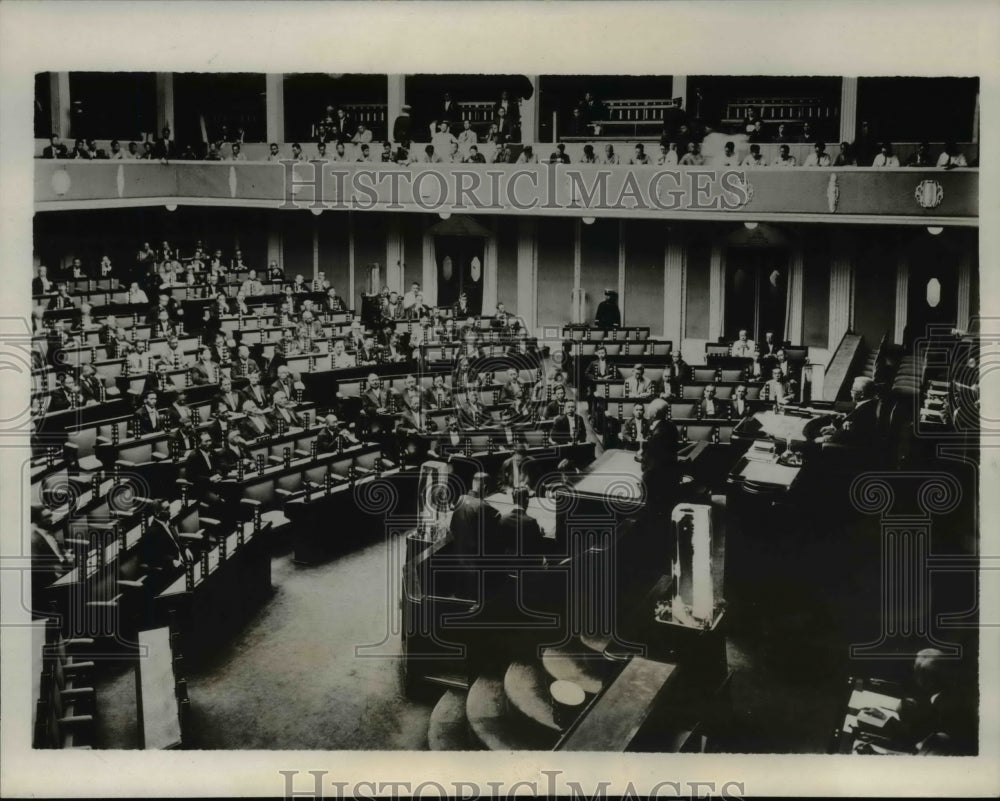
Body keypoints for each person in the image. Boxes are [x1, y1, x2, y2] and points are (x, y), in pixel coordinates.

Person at [142, 499, 197, 592]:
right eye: (166, 509)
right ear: (157, 513)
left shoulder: (168, 523)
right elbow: (153, 556)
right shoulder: (152, 532)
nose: (170, 511)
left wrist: (185, 548)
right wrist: (172, 561)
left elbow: (176, 541)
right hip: (169, 570)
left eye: (169, 507)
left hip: (182, 562)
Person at [815, 376, 879, 446]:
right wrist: (834, 429)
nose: (850, 392)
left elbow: (850, 435)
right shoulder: (869, 404)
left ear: (862, 394)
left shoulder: (863, 411)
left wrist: (827, 439)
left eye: (853, 390)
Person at [499, 487, 550, 562]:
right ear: (527, 500)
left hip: (507, 563)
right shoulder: (531, 522)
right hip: (525, 564)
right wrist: (540, 534)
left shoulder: (503, 519)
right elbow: (538, 547)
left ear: (513, 499)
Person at [184, 432, 223, 503]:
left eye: (210, 440)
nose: (209, 443)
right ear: (199, 443)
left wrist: (218, 474)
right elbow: (190, 476)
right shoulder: (194, 456)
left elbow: (218, 466)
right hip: (202, 488)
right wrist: (209, 479)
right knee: (217, 501)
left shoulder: (212, 451)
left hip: (215, 484)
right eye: (206, 441)